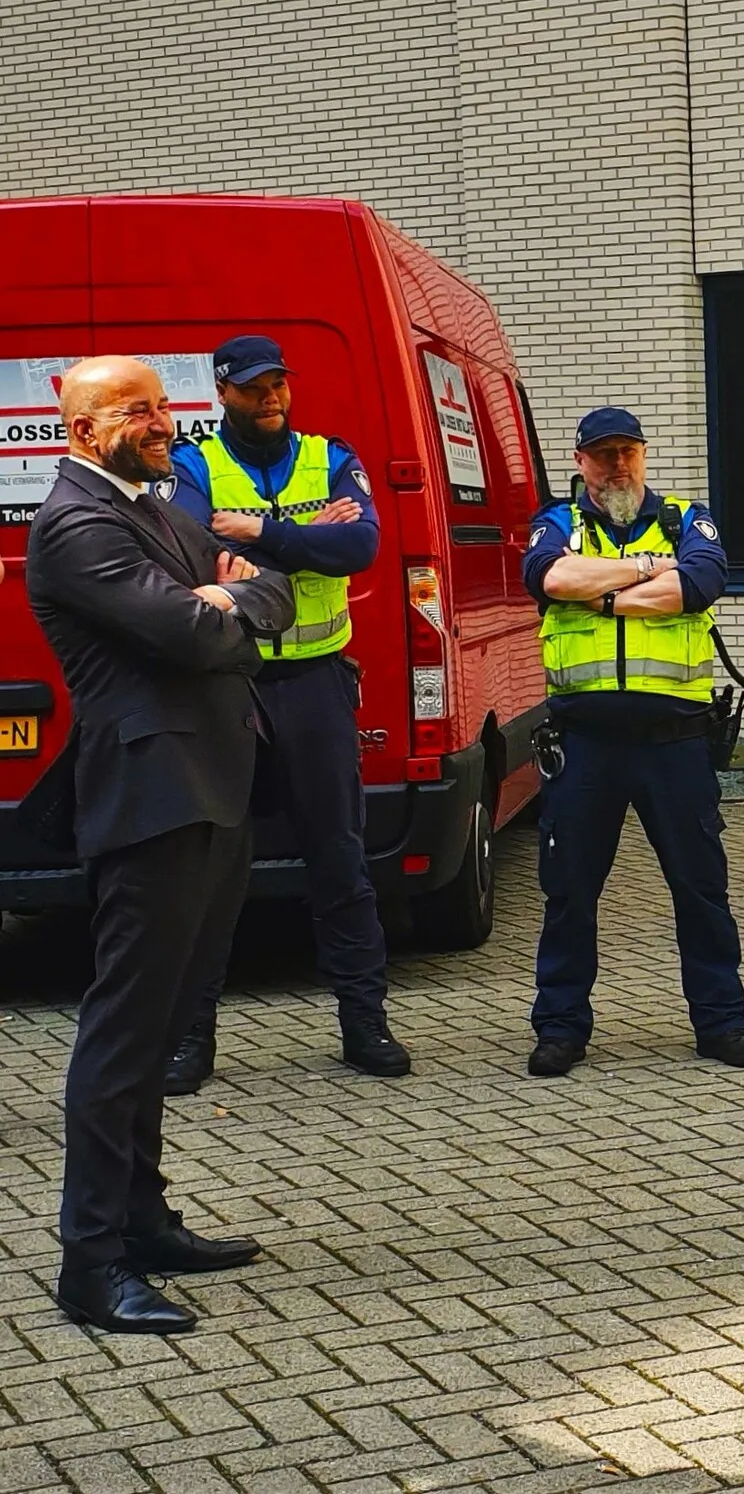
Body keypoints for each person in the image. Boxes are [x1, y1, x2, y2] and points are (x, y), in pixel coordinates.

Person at [28, 356, 295, 1333]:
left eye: (162, 402)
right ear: (80, 431)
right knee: (123, 1035)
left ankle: (145, 1221)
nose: (159, 418)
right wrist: (218, 602)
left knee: (167, 1021)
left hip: (212, 791)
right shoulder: (75, 523)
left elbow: (275, 591)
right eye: (134, 408)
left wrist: (237, 596)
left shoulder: (154, 507)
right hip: (151, 799)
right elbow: (185, 634)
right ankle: (90, 1261)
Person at [162, 334, 408, 1092]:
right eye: (256, 387)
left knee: (339, 857)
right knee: (213, 867)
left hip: (315, 685)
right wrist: (308, 537)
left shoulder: (331, 454)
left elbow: (362, 543)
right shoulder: (194, 464)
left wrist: (258, 533)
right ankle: (190, 1038)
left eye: (280, 385)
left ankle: (364, 1022)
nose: (273, 397)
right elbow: (188, 547)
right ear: (224, 392)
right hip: (229, 686)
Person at [521, 408, 744, 1077]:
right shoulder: (556, 523)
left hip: (675, 744)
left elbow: (699, 583)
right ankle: (561, 1026)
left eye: (627, 451)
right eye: (602, 455)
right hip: (584, 745)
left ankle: (721, 1022)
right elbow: (548, 577)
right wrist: (643, 575)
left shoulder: (689, 519)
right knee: (569, 891)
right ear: (581, 463)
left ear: (644, 454)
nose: (617, 466)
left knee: (701, 888)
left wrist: (600, 589)